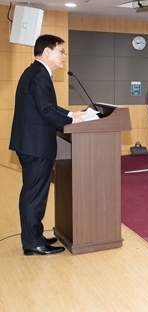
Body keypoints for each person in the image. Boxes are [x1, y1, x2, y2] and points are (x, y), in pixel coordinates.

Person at [9, 34, 84, 256]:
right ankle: (32, 243)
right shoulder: (39, 76)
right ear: (47, 52)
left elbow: (47, 106)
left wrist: (70, 113)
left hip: (32, 142)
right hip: (35, 144)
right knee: (34, 194)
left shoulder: (36, 72)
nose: (63, 56)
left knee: (35, 193)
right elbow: (45, 110)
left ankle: (35, 236)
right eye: (61, 51)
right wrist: (71, 120)